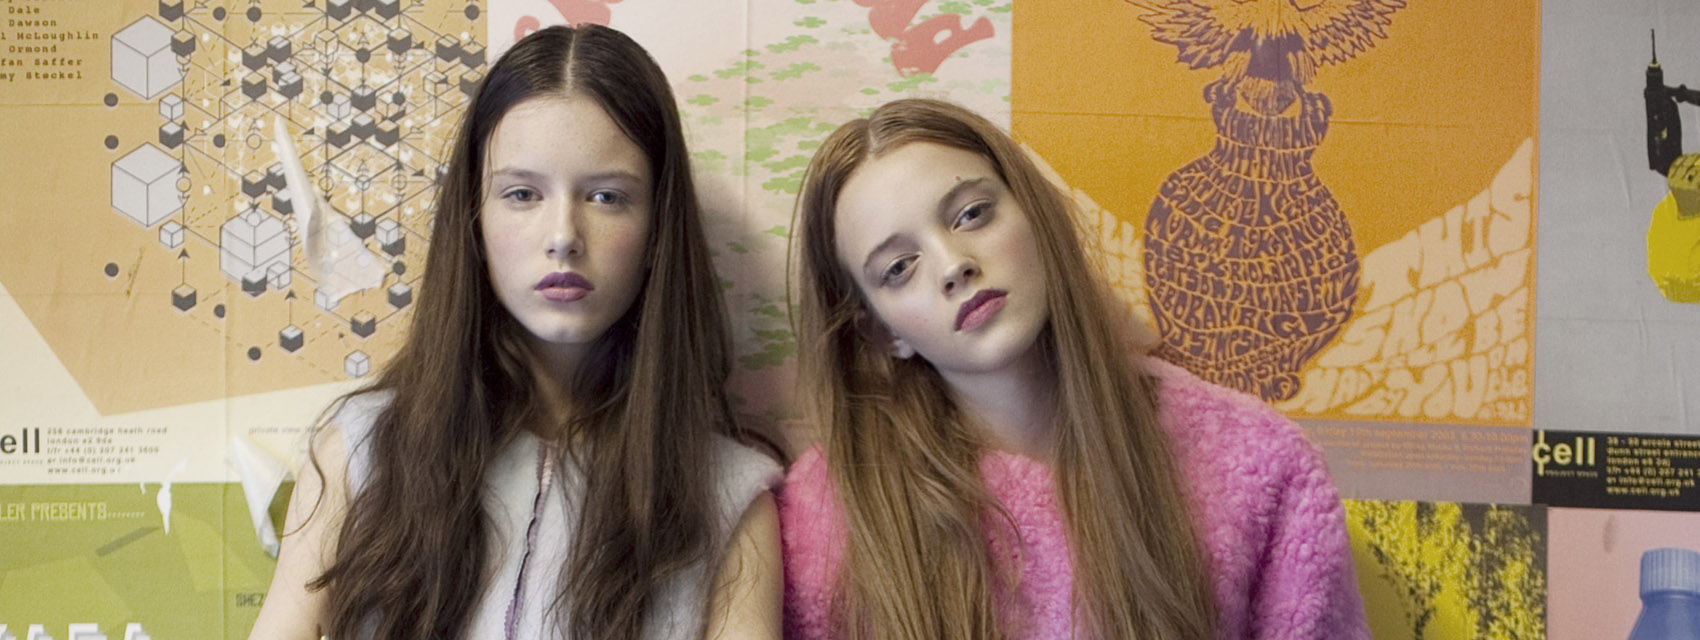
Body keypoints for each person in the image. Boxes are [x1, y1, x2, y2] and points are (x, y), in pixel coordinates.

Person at [249, 24, 781, 640]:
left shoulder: (729, 499)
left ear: (659, 224)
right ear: (474, 218)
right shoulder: (359, 452)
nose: (563, 235)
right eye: (522, 193)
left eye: (607, 197)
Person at [780, 98, 1368, 639]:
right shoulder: (824, 516)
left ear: (1034, 212)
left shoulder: (1261, 467)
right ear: (880, 331)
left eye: (972, 214)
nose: (954, 264)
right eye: (899, 267)